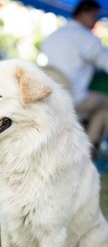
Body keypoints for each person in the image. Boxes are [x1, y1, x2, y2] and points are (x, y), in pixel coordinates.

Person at [42, 0, 108, 151]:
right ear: (86, 14)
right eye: (95, 16)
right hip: (74, 98)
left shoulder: (53, 36)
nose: (95, 21)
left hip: (50, 94)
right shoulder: (87, 38)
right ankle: (89, 148)